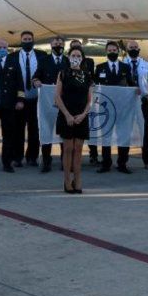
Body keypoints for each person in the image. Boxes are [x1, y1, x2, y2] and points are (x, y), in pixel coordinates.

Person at [54, 45, 93, 194]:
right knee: (68, 148)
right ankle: (66, 180)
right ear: (68, 57)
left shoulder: (87, 75)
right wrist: (67, 115)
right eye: (73, 55)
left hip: (81, 115)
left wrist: (83, 115)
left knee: (78, 149)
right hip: (66, 115)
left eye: (78, 56)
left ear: (82, 58)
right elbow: (57, 96)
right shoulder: (63, 73)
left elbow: (90, 100)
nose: (75, 58)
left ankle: (78, 179)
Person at [93, 40, 134, 173]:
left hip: (122, 108)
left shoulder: (125, 67)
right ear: (106, 52)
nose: (112, 53)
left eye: (114, 51)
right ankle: (106, 163)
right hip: (106, 108)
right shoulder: (100, 68)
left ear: (118, 51)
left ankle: (122, 163)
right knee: (106, 136)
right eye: (110, 51)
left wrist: (136, 90)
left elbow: (131, 84)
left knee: (123, 135)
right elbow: (94, 86)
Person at [32, 35, 66, 172]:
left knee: (64, 133)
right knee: (47, 130)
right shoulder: (44, 60)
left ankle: (65, 161)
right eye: (55, 43)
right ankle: (46, 161)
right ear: (51, 45)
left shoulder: (68, 61)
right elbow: (35, 76)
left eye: (60, 43)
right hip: (47, 103)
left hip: (64, 103)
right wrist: (35, 81)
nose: (58, 45)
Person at [124, 39, 148, 170]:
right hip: (127, 102)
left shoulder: (147, 65)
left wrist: (144, 92)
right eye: (131, 47)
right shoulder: (122, 64)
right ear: (127, 49)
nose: (133, 49)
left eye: (136, 47)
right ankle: (123, 161)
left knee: (145, 131)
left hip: (142, 101)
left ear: (139, 49)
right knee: (125, 130)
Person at [0, 39, 22, 173]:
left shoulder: (14, 63)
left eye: (4, 47)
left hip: (9, 105)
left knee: (8, 136)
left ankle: (7, 162)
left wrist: (20, 99)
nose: (2, 49)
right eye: (0, 47)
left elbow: (20, 83)